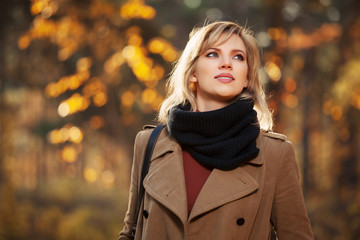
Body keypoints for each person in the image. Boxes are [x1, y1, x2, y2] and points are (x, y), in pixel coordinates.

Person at [118, 21, 314, 240]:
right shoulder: (148, 144)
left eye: (238, 57)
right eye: (213, 54)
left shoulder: (275, 154)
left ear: (247, 77)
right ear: (192, 72)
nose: (227, 63)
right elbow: (130, 232)